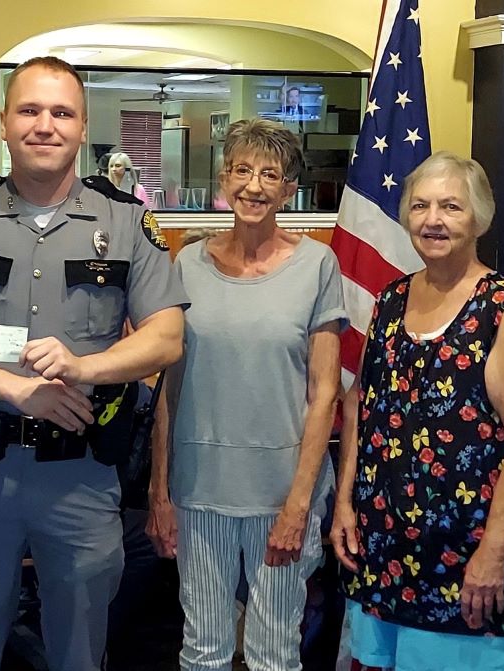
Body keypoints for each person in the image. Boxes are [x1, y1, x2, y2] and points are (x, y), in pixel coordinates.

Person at [0, 55, 188, 671]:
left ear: (83, 127)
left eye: (61, 112)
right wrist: (16, 390)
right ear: (4, 122)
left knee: (80, 651)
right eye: (28, 110)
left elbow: (165, 339)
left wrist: (83, 369)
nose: (44, 125)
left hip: (79, 477)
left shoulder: (128, 223)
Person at [331, 152, 504, 670]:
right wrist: (344, 502)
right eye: (421, 205)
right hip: (386, 555)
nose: (434, 220)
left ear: (477, 218)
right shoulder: (388, 300)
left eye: (451, 206)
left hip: (472, 568)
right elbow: (361, 403)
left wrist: (493, 553)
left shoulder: (503, 310)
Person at [147, 117, 347, 671]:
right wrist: (160, 490)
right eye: (241, 170)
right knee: (203, 648)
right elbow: (170, 387)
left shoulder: (316, 265)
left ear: (288, 190)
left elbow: (324, 391)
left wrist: (300, 503)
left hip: (281, 494)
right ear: (222, 180)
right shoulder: (186, 262)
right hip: (198, 489)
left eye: (269, 174)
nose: (253, 186)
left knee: (273, 653)